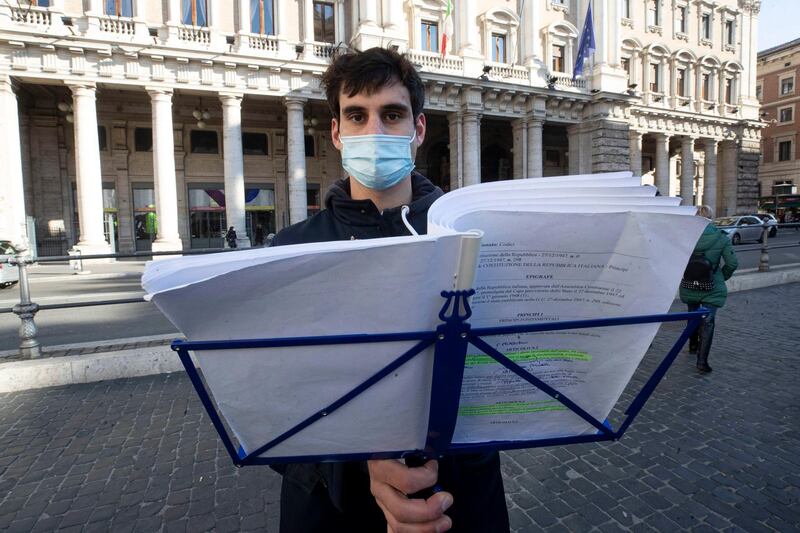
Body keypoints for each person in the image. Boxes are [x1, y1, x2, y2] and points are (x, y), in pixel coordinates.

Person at [270, 47, 509, 533]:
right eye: (357, 115)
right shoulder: (287, 251)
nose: (374, 131)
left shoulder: (476, 239)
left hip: (459, 498)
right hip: (333, 511)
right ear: (336, 132)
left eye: (392, 114)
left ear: (418, 130)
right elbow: (273, 421)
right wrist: (360, 465)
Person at [679, 205, 738, 373]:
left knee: (692, 315)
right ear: (710, 218)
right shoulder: (721, 238)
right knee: (708, 323)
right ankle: (702, 362)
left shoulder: (686, 237)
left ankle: (692, 346)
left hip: (690, 285)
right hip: (711, 287)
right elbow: (732, 263)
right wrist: (721, 276)